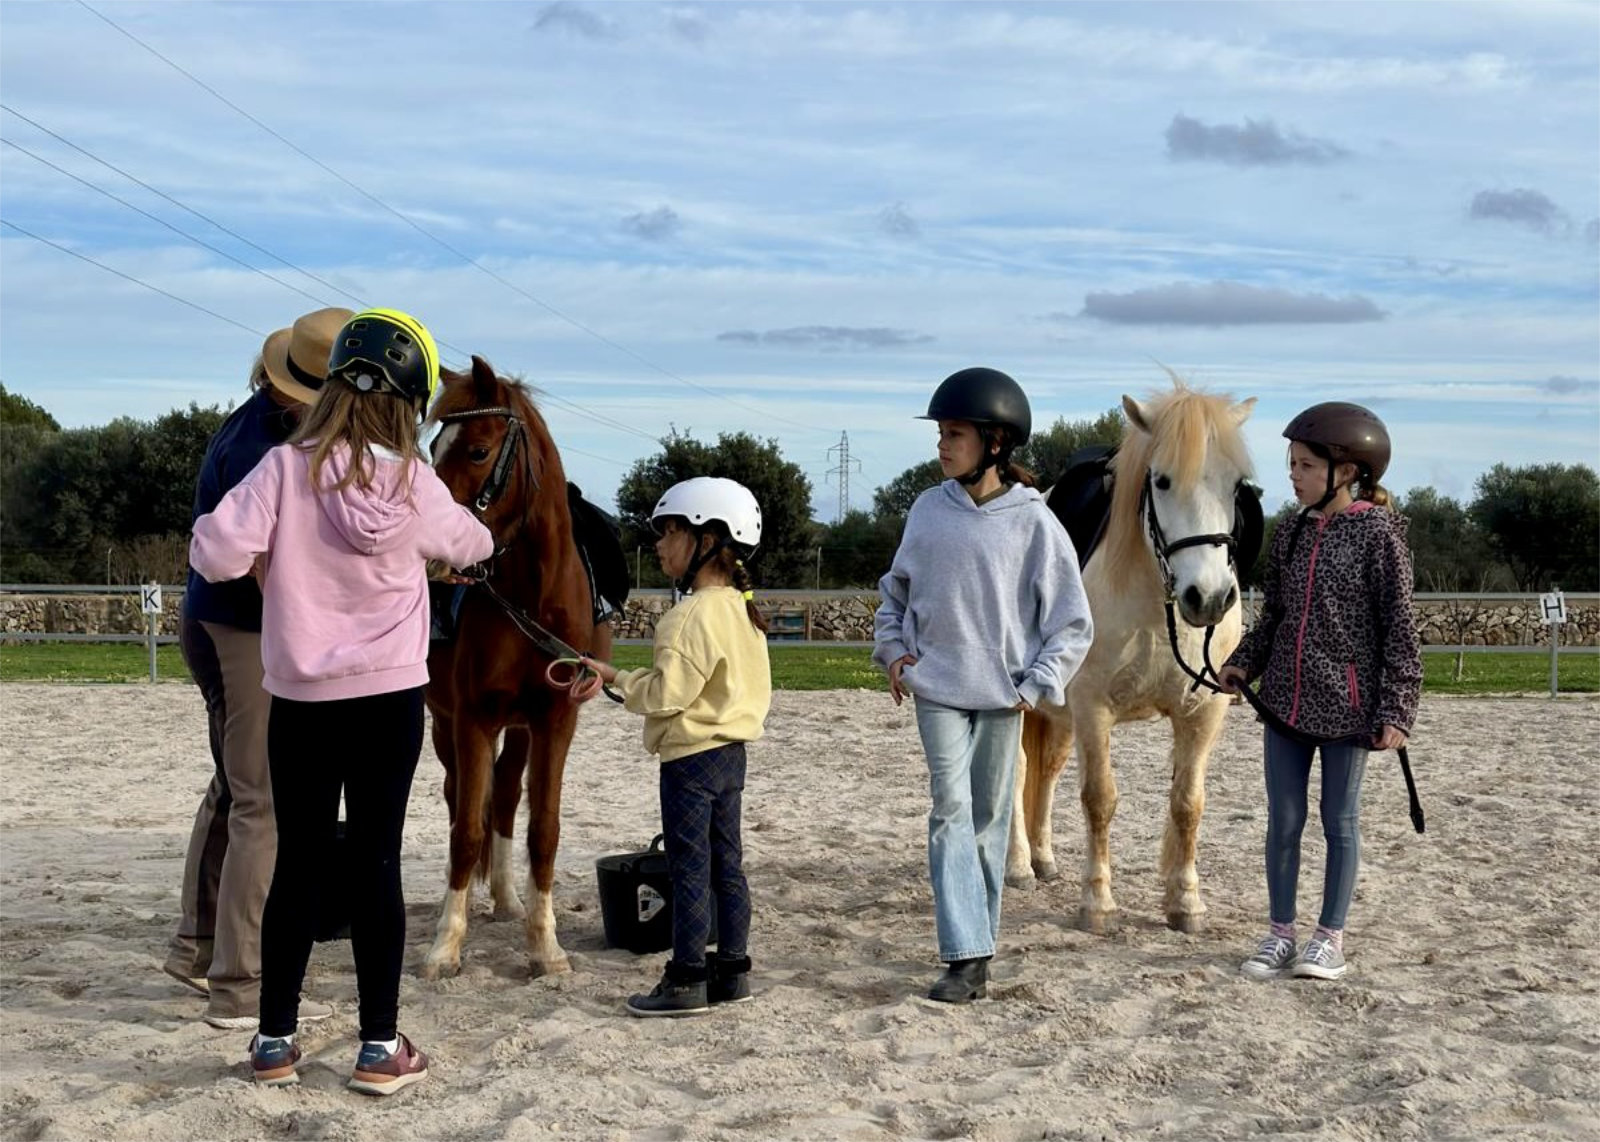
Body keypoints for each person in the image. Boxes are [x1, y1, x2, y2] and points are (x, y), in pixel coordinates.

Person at [189, 309, 493, 1092]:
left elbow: (214, 551)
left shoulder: (283, 471)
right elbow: (474, 546)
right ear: (408, 404)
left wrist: (270, 559)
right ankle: (379, 1048)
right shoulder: (414, 481)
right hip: (388, 696)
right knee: (376, 864)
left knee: (297, 861)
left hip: (298, 695)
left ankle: (273, 1043)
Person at [873, 367, 1094, 1004]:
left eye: (955, 435)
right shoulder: (926, 511)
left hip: (1004, 697)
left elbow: (1071, 620)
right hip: (936, 687)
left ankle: (980, 946)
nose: (942, 446)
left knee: (991, 820)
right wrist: (892, 653)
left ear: (994, 443)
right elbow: (895, 594)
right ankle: (964, 956)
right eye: (941, 434)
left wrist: (1040, 683)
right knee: (950, 811)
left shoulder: (1034, 523)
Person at [163, 306, 351, 1030]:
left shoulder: (259, 423)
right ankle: (239, 984)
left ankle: (196, 944)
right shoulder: (263, 450)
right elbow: (271, 569)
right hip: (241, 625)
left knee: (234, 784)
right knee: (261, 801)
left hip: (212, 619)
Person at [1218, 402, 1422, 983]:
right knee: (1282, 821)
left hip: (1350, 709)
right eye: (1292, 464)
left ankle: (1328, 938)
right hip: (1284, 700)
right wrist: (1243, 664)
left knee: (1339, 821)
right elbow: (1276, 614)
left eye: (1305, 465)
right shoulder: (1292, 531)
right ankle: (1281, 933)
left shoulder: (1380, 535)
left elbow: (1400, 628)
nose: (1294, 475)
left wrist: (1397, 707)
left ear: (1348, 470)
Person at [578, 477, 772, 1018]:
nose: (660, 545)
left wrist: (617, 678)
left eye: (669, 533)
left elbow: (667, 695)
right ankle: (732, 970)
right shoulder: (744, 613)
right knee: (728, 866)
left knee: (689, 868)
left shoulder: (685, 618)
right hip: (732, 756)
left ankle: (686, 976)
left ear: (706, 541)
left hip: (689, 761)